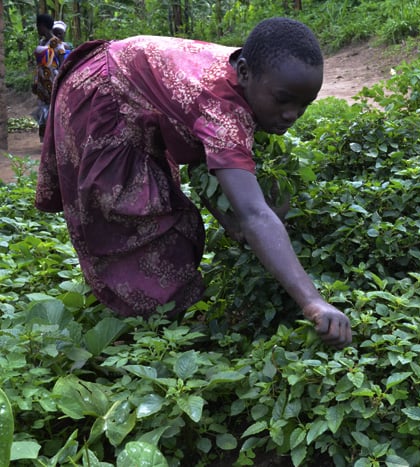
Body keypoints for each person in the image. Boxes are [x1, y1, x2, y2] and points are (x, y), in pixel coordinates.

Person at [34, 18, 352, 347]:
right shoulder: (221, 109)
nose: (292, 114)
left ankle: (161, 316)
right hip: (103, 96)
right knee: (133, 222)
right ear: (244, 72)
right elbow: (254, 213)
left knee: (166, 220)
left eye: (304, 105)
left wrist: (230, 221)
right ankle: (150, 335)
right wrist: (313, 301)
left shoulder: (253, 72)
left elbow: (208, 163)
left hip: (123, 80)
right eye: (283, 100)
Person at [31, 13, 67, 142]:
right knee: (43, 110)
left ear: (43, 26)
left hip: (52, 81)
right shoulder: (42, 42)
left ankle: (55, 140)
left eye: (38, 26)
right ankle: (46, 141)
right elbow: (38, 65)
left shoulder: (56, 42)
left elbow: (63, 63)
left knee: (53, 110)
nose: (37, 29)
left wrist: (61, 81)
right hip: (42, 82)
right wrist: (35, 80)